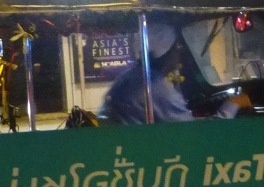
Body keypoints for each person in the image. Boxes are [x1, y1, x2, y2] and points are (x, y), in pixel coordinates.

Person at [98, 23, 249, 124]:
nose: (181, 53)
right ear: (168, 53)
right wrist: (232, 105)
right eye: (178, 48)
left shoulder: (129, 77)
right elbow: (194, 133)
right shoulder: (155, 87)